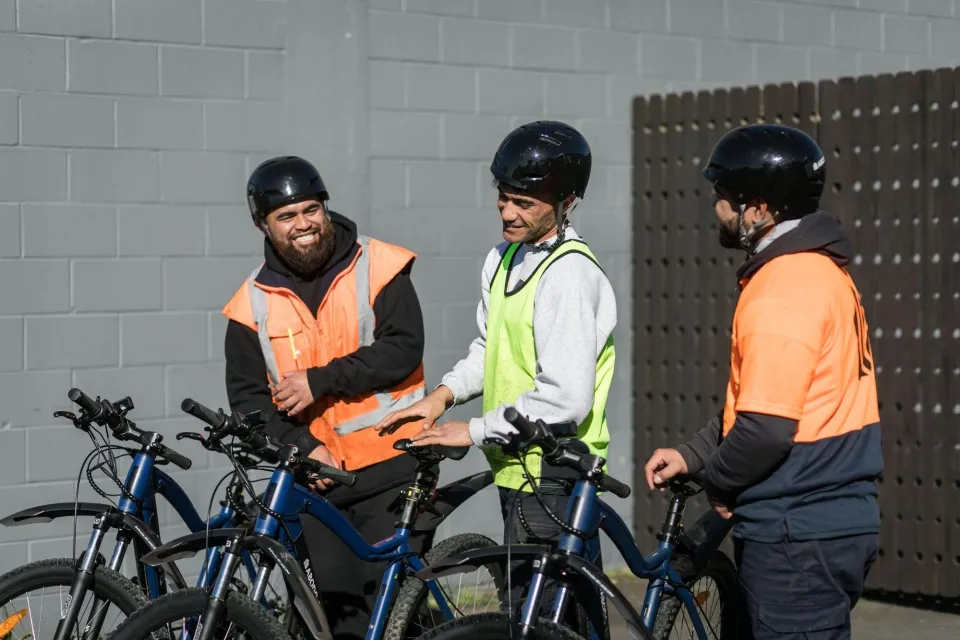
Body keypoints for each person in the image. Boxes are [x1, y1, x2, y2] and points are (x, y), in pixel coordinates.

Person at [375, 120, 618, 631]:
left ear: (567, 202)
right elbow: (490, 347)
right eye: (504, 198)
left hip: (556, 470)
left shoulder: (569, 275)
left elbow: (566, 400)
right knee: (537, 613)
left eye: (524, 204)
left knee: (542, 622)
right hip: (516, 462)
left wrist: (474, 430)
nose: (508, 213)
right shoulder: (503, 259)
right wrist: (443, 396)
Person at [644, 124, 883, 639]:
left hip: (795, 532)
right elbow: (779, 398)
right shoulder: (823, 273)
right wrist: (696, 451)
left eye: (723, 198)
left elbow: (768, 428)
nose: (716, 209)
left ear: (757, 209)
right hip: (832, 525)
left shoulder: (782, 286)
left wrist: (720, 483)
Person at [221, 155, 430, 640]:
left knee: (397, 614)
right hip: (319, 487)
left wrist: (319, 380)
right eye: (286, 216)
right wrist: (301, 449)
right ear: (263, 225)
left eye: (311, 209)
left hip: (393, 464)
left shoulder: (380, 265)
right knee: (342, 621)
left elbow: (402, 349)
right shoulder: (249, 305)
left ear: (326, 207)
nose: (303, 225)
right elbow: (248, 402)